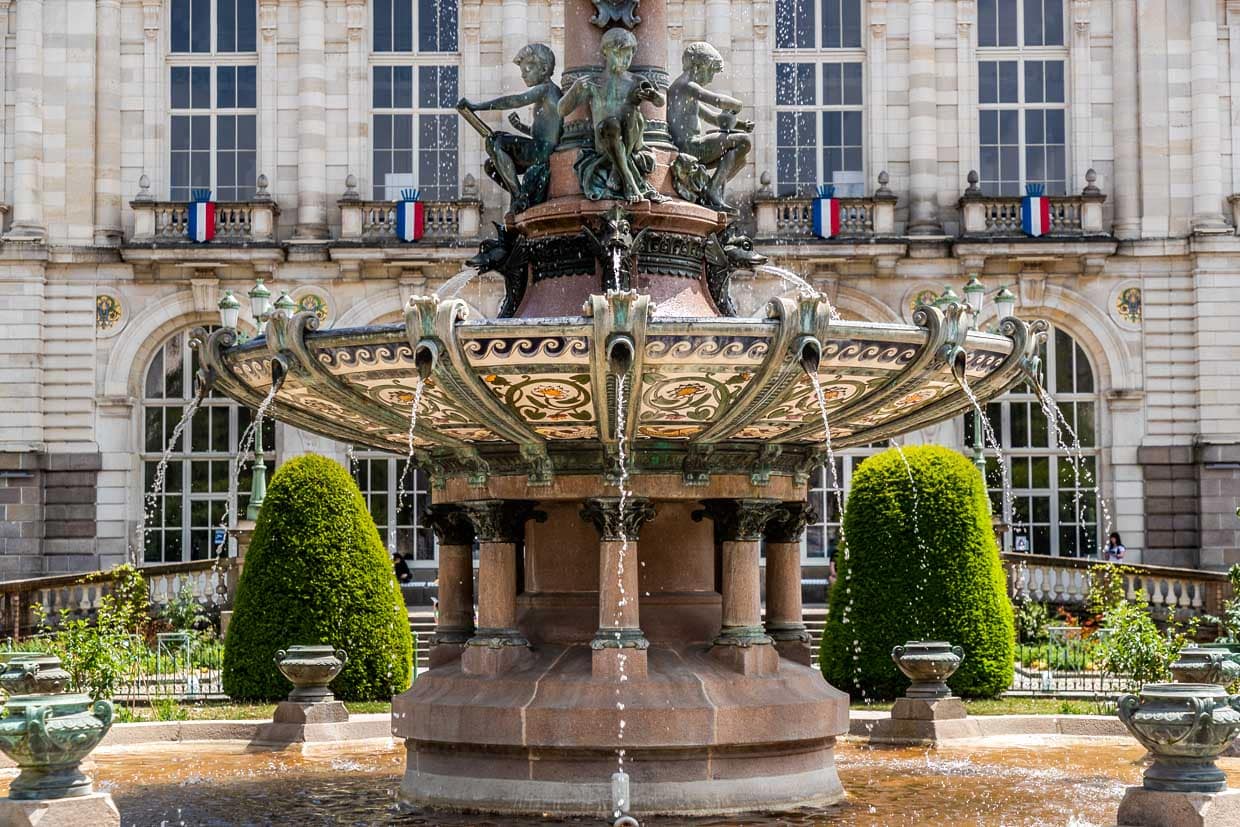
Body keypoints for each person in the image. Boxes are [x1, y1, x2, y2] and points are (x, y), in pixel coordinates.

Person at [557, 27, 665, 203]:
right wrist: (575, 89)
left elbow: (660, 102)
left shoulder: (636, 81)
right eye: (619, 53)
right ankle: (628, 179)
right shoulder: (594, 82)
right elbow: (561, 110)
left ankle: (617, 171)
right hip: (605, 139)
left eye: (628, 54)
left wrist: (654, 96)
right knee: (612, 124)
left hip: (633, 140)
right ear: (605, 52)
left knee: (632, 112)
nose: (624, 59)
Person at [456, 43, 562, 213]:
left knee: (494, 140)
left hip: (542, 152)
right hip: (542, 149)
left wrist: (476, 107)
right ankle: (519, 195)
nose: (523, 74)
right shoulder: (551, 94)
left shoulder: (546, 89)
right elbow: (546, 131)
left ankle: (520, 197)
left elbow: (514, 101)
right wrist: (521, 127)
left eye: (528, 68)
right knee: (491, 166)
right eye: (522, 70)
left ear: (543, 69)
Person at [666, 41, 754, 213]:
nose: (711, 78)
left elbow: (714, 118)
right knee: (743, 142)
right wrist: (738, 105)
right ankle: (712, 189)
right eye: (711, 71)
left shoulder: (687, 90)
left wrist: (741, 124)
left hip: (694, 146)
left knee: (740, 158)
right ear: (700, 66)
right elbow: (718, 101)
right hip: (688, 147)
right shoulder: (686, 86)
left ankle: (715, 191)